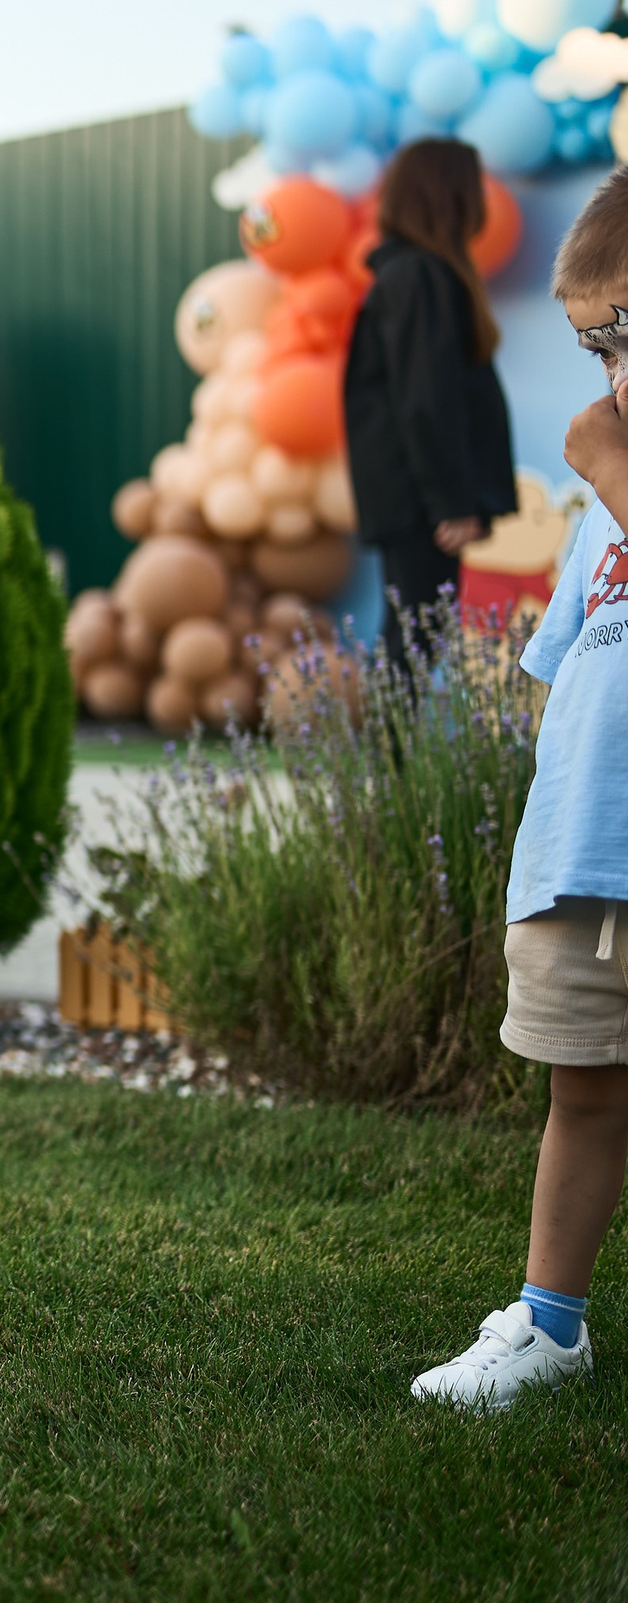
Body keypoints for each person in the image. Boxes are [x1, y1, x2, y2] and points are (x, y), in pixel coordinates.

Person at [412, 168, 628, 1412]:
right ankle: (550, 1323)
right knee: (581, 1090)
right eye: (593, 348)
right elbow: (569, 667)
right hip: (586, 854)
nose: (608, 375)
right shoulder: (599, 505)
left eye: (624, 338)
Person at [343, 138, 518, 670]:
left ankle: (387, 730)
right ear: (449, 195)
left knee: (413, 639)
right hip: (421, 502)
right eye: (473, 185)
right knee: (414, 643)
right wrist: (452, 503)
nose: (481, 198)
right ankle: (387, 732)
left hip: (414, 497)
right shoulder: (419, 277)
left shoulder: (411, 274)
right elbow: (427, 399)